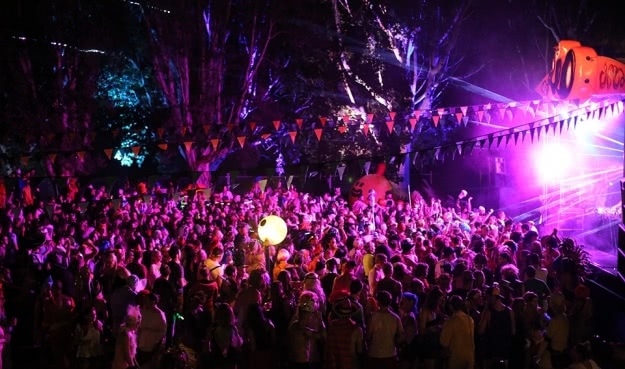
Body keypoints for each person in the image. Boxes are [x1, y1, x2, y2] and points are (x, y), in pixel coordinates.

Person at [440, 295, 475, 369]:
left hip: (456, 358)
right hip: (469, 357)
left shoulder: (451, 321)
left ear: (451, 306)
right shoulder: (470, 319)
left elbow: (444, 342)